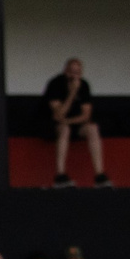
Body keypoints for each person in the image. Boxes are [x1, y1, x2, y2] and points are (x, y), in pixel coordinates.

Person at [43, 57, 109, 187]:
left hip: (73, 123)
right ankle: (60, 175)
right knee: (65, 129)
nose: (74, 76)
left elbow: (86, 115)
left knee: (92, 128)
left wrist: (68, 121)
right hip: (52, 126)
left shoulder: (84, 85)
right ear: (65, 71)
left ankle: (100, 175)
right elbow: (58, 115)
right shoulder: (56, 84)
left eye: (77, 72)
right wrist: (72, 93)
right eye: (71, 71)